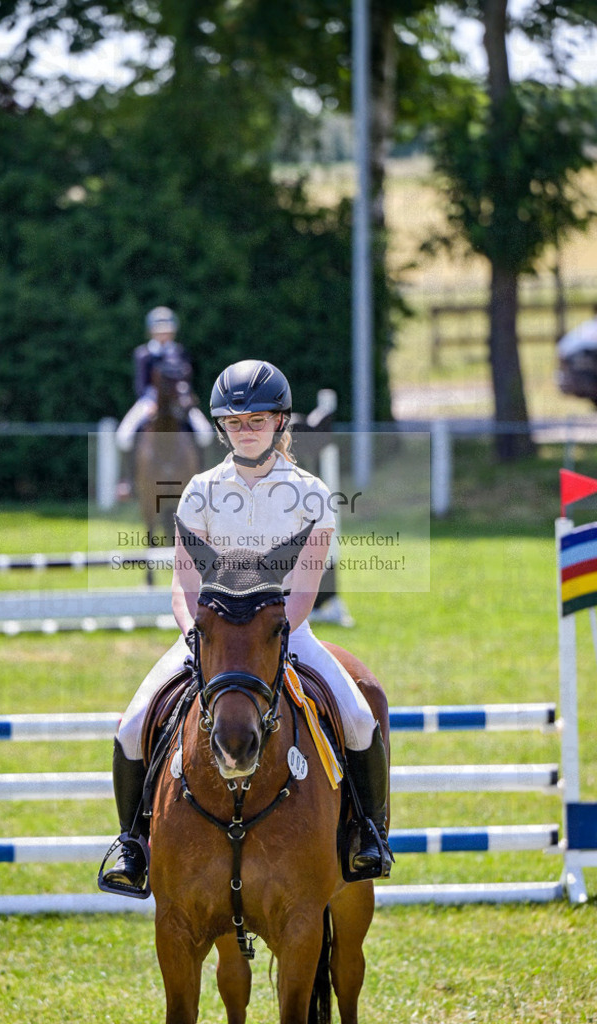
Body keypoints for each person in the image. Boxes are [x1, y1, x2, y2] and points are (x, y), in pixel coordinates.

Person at [103, 359, 393, 891]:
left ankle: (366, 835)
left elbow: (305, 585)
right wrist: (196, 635)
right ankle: (132, 844)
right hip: (209, 636)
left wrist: (278, 634)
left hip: (286, 632)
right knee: (131, 724)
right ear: (221, 428)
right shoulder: (199, 490)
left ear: (281, 422)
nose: (247, 430)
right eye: (236, 423)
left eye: (257, 420)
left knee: (358, 717)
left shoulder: (311, 494)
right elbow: (182, 579)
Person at [115, 306, 213, 458]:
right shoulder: (143, 354)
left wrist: (184, 398)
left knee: (205, 433)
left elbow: (185, 379)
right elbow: (141, 385)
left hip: (178, 399)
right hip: (150, 401)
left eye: (166, 331)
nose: (163, 335)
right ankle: (127, 477)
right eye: (159, 331)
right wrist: (152, 403)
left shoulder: (179, 352)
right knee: (124, 436)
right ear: (151, 332)